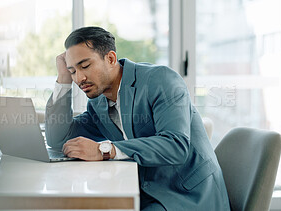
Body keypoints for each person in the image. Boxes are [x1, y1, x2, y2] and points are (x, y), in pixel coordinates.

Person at [45, 26, 230, 211]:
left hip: (187, 196)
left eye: (85, 66)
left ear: (110, 58)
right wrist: (63, 80)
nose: (80, 78)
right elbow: (59, 138)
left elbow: (176, 145)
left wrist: (105, 150)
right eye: (73, 71)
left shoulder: (161, 80)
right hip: (142, 191)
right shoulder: (98, 103)